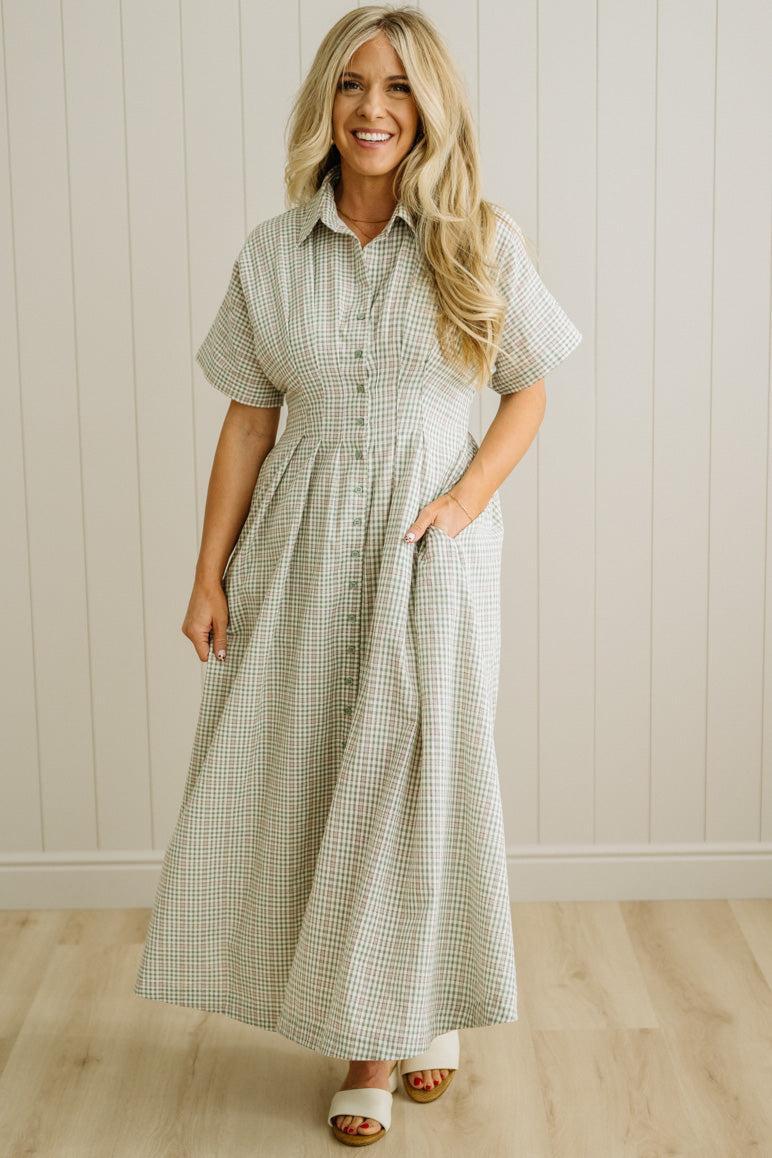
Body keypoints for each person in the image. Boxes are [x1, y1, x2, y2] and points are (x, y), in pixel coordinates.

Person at [133, 4, 582, 1147]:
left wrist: (464, 503)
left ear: (428, 106)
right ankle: (414, 1015)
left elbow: (527, 387)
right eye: (350, 85)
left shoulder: (479, 239)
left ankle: (371, 1049)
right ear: (325, 106)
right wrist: (206, 572)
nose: (372, 108)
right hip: (298, 549)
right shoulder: (272, 253)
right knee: (323, 774)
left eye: (395, 87)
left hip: (429, 556)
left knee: (409, 781)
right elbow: (247, 420)